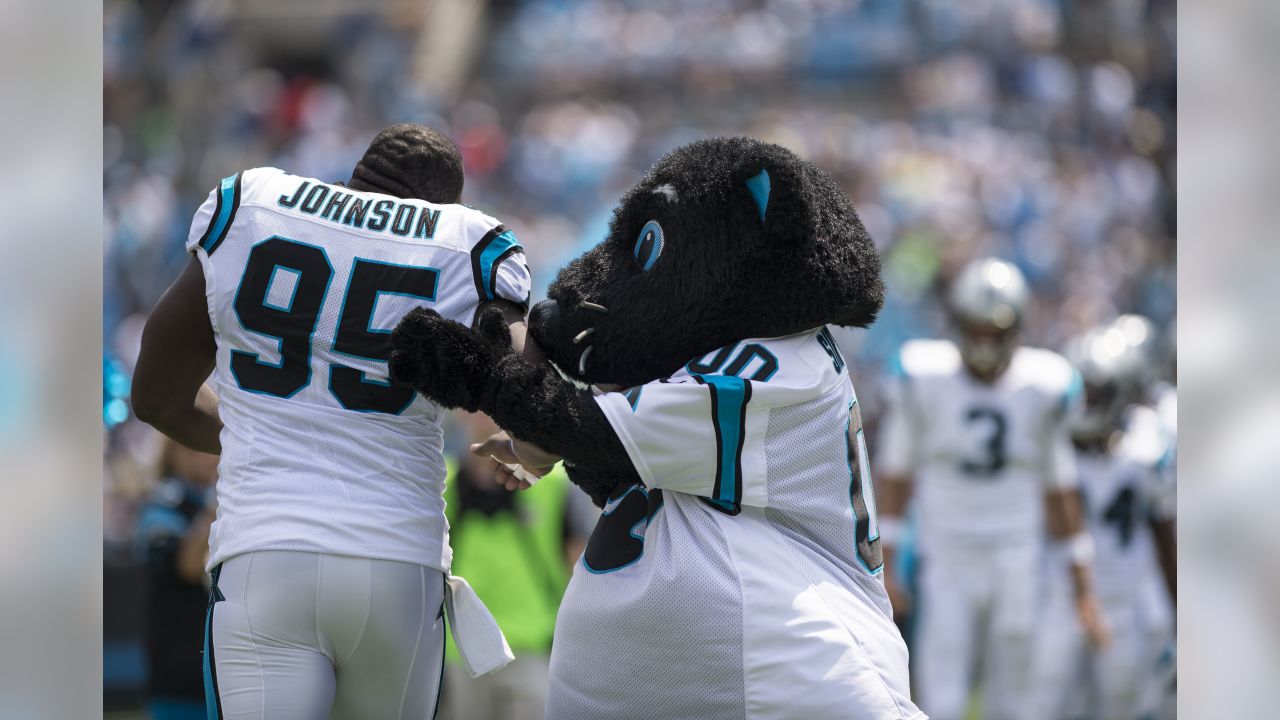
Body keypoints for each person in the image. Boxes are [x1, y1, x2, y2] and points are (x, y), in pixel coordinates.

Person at [131, 123, 532, 719]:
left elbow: (155, 397)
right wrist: (528, 447)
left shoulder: (254, 203)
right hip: (399, 562)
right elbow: (531, 398)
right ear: (444, 204)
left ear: (357, 176)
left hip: (266, 551)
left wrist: (266, 435)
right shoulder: (467, 244)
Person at [874, 258, 1109, 720]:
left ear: (1017, 328)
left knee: (1014, 695)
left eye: (993, 331)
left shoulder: (1043, 384)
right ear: (957, 325)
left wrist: (1083, 586)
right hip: (946, 554)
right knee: (941, 693)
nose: (983, 343)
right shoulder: (924, 377)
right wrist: (888, 565)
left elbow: (1059, 489)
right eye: (975, 329)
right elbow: (896, 474)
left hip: (1016, 554)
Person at [1032, 321, 1177, 720]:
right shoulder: (1054, 447)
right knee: (1041, 703)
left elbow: (1164, 531)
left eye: (1096, 394)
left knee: (1120, 706)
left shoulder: (1145, 447)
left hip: (1122, 599)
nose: (1086, 406)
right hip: (1058, 595)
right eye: (1082, 394)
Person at [439, 412, 593, 720]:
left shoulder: (556, 484)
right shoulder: (442, 481)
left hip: (534, 646)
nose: (483, 412)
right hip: (463, 650)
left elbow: (581, 563)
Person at [134, 439, 218, 720]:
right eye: (195, 446)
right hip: (177, 673)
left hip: (226, 667)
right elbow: (187, 567)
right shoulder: (160, 504)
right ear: (173, 453)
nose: (207, 457)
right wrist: (218, 504)